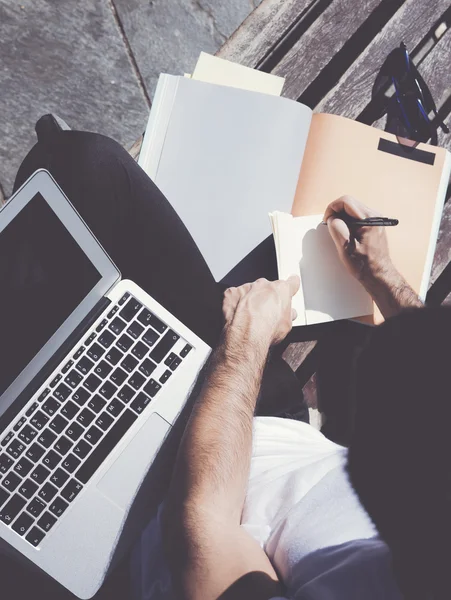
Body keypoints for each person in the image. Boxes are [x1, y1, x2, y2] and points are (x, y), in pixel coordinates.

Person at [4, 117, 438, 600]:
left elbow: (200, 535)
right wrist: (384, 278)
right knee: (84, 166)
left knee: (70, 217)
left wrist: (246, 338)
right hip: (262, 418)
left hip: (150, 529)